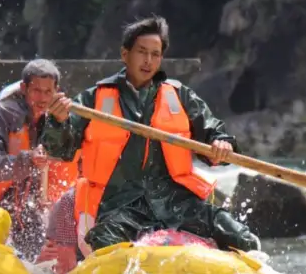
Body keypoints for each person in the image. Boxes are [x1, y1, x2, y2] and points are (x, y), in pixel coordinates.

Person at [40, 15, 261, 255]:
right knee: (104, 241)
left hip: (177, 201)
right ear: (125, 54)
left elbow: (213, 131)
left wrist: (222, 144)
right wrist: (59, 121)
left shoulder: (180, 96)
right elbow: (60, 150)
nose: (148, 61)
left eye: (155, 54)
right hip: (120, 203)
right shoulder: (94, 98)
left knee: (242, 239)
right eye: (142, 52)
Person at [0, 59, 80, 261]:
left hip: (32, 208)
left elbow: (70, 156)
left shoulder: (57, 119)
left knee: (45, 258)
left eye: (48, 92)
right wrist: (28, 160)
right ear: (24, 88)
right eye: (36, 90)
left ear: (57, 91)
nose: (42, 98)